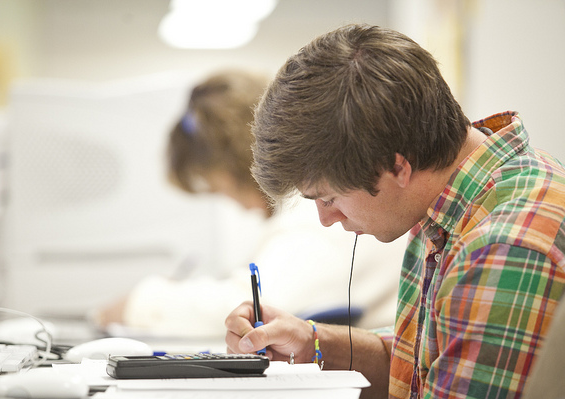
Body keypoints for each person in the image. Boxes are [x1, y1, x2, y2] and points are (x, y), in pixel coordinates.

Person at [224, 24, 565, 399]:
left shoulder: (503, 246)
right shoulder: (451, 200)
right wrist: (313, 343)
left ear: (395, 166)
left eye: (329, 198)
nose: (326, 218)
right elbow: (426, 369)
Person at [95, 70, 405, 337]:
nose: (236, 206)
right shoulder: (315, 202)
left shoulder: (318, 210)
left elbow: (257, 306)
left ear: (237, 164)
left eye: (219, 188)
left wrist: (140, 304)